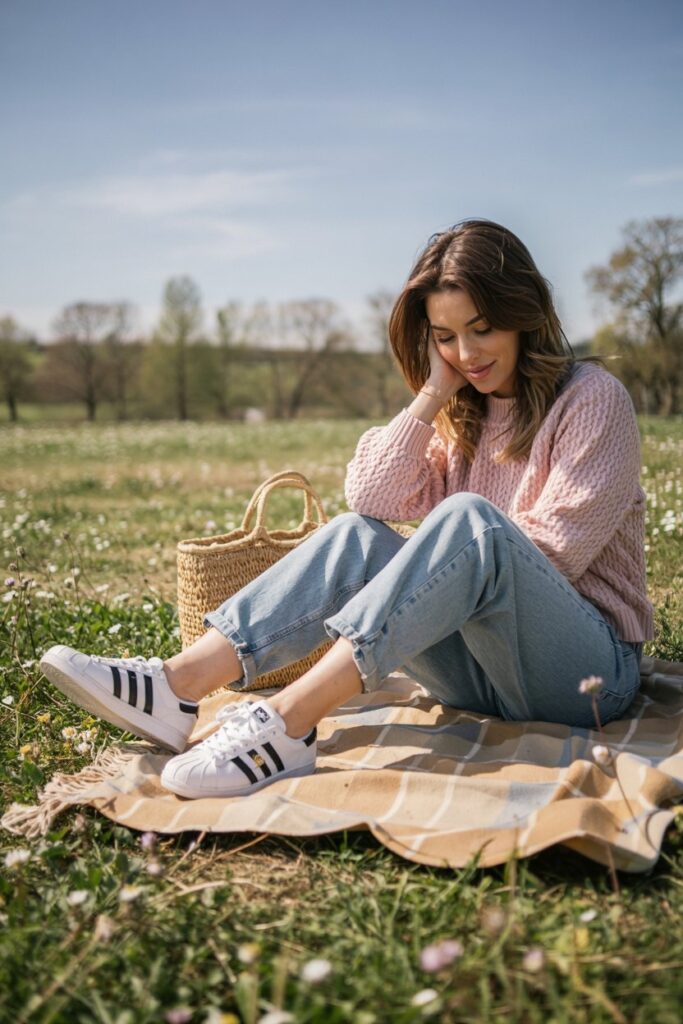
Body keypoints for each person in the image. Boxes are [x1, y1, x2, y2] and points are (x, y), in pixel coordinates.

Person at [40, 218, 653, 800]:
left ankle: (288, 722)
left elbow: (554, 555)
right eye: (445, 336)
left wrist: (431, 572)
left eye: (482, 327)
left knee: (472, 523)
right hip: (481, 676)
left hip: (585, 675)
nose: (466, 352)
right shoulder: (461, 409)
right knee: (358, 536)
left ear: (523, 315)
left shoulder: (593, 400)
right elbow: (371, 497)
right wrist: (433, 393)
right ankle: (177, 686)